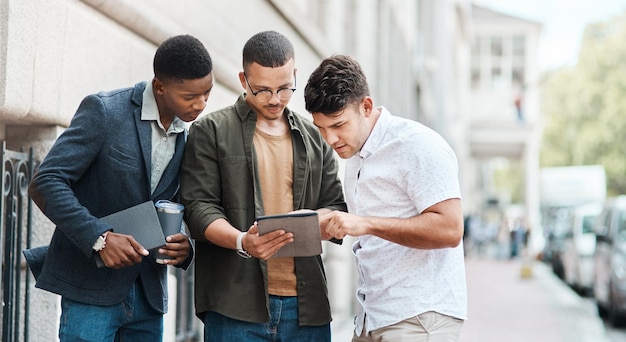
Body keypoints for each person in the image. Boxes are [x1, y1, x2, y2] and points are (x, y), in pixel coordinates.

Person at [27, 34, 214, 341]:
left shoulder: (191, 134)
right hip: (91, 289)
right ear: (159, 87)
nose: (201, 105)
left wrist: (185, 243)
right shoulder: (104, 111)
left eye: (207, 93)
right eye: (190, 96)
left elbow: (183, 202)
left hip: (149, 294)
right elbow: (45, 182)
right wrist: (99, 238)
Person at [180, 30, 346, 342]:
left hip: (307, 309)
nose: (274, 99)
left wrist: (321, 224)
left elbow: (335, 205)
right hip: (234, 306)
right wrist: (243, 241)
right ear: (244, 80)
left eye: (285, 88)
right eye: (263, 90)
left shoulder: (316, 138)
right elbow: (199, 208)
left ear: (295, 74)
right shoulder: (211, 130)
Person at [304, 54, 467, 342]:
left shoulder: (417, 145)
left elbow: (450, 229)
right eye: (322, 128)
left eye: (339, 124)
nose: (330, 139)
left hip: (419, 318)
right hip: (371, 318)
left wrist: (365, 224)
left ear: (366, 106)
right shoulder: (355, 153)